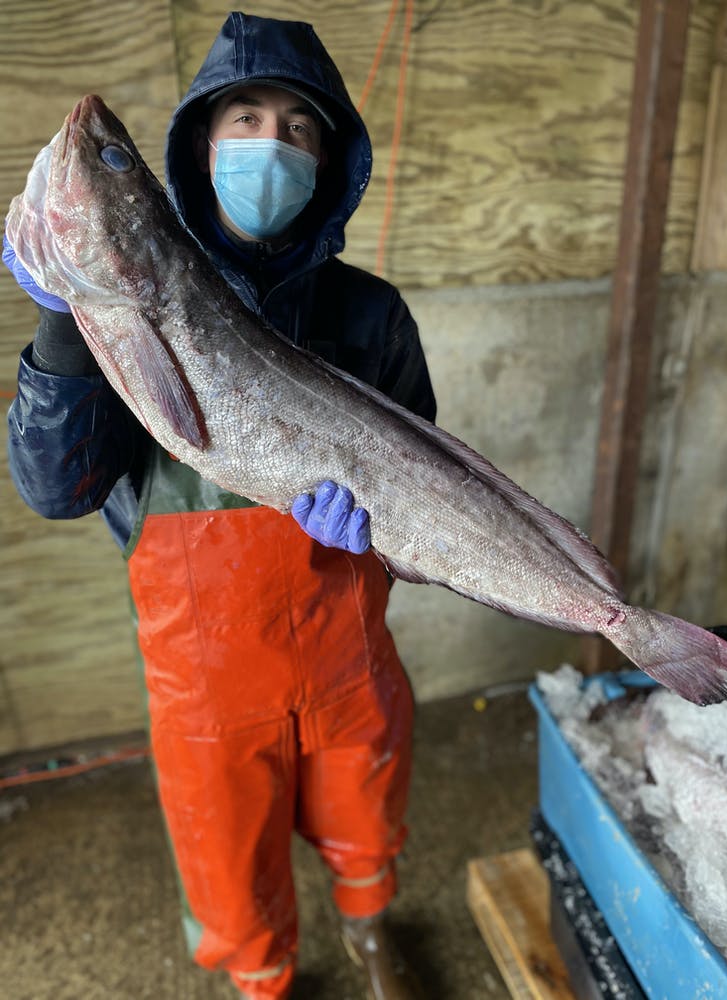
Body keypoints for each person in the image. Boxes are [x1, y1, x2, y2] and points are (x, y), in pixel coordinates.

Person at [4, 11, 436, 1000]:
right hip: (204, 687)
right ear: (203, 143)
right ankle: (266, 981)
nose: (271, 143)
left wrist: (381, 527)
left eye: (299, 126)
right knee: (229, 868)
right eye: (247, 118)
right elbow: (57, 489)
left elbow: (424, 477)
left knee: (367, 809)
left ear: (329, 160)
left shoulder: (370, 313)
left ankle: (372, 934)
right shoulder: (122, 314)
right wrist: (64, 325)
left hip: (348, 651)